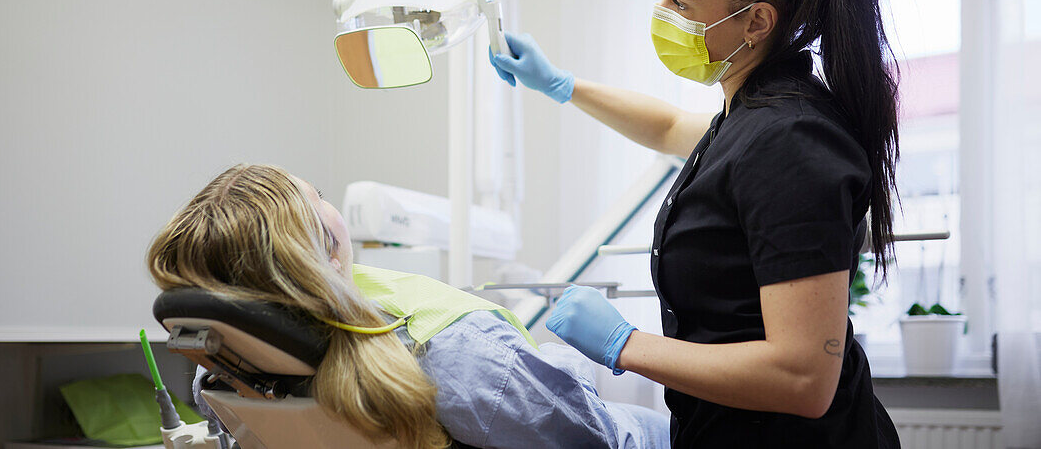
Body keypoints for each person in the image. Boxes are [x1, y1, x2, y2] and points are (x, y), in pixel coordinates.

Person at [488, 0, 902, 448]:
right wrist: (560, 84)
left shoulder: (791, 141)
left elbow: (805, 377)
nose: (661, 11)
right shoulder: (752, 113)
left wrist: (625, 345)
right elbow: (666, 127)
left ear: (757, 21)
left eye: (680, 1)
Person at [147, 163, 670, 449]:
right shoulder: (456, 358)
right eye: (322, 194)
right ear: (329, 244)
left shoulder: (226, 370)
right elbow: (591, 440)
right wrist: (568, 366)